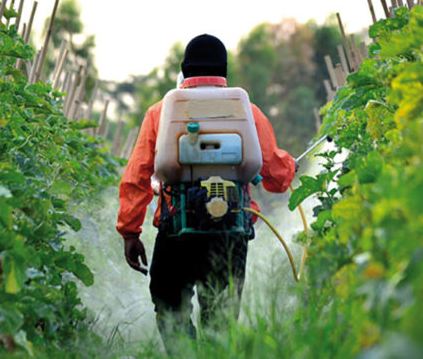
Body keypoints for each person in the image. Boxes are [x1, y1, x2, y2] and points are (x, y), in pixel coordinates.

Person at [116, 34, 296, 351]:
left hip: (176, 230)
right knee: (220, 319)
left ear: (185, 71)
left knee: (171, 310)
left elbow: (138, 175)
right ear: (223, 70)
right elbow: (277, 179)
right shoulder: (247, 112)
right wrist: (289, 165)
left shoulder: (160, 112)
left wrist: (130, 231)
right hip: (231, 231)